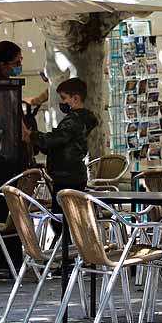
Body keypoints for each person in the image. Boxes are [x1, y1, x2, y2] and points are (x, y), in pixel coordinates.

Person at [22, 78, 99, 230]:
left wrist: (32, 136)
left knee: (62, 220)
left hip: (68, 175)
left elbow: (55, 139)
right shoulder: (79, 120)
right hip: (69, 174)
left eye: (64, 98)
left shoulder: (75, 121)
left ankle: (66, 249)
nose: (62, 102)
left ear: (75, 99)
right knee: (64, 219)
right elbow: (57, 144)